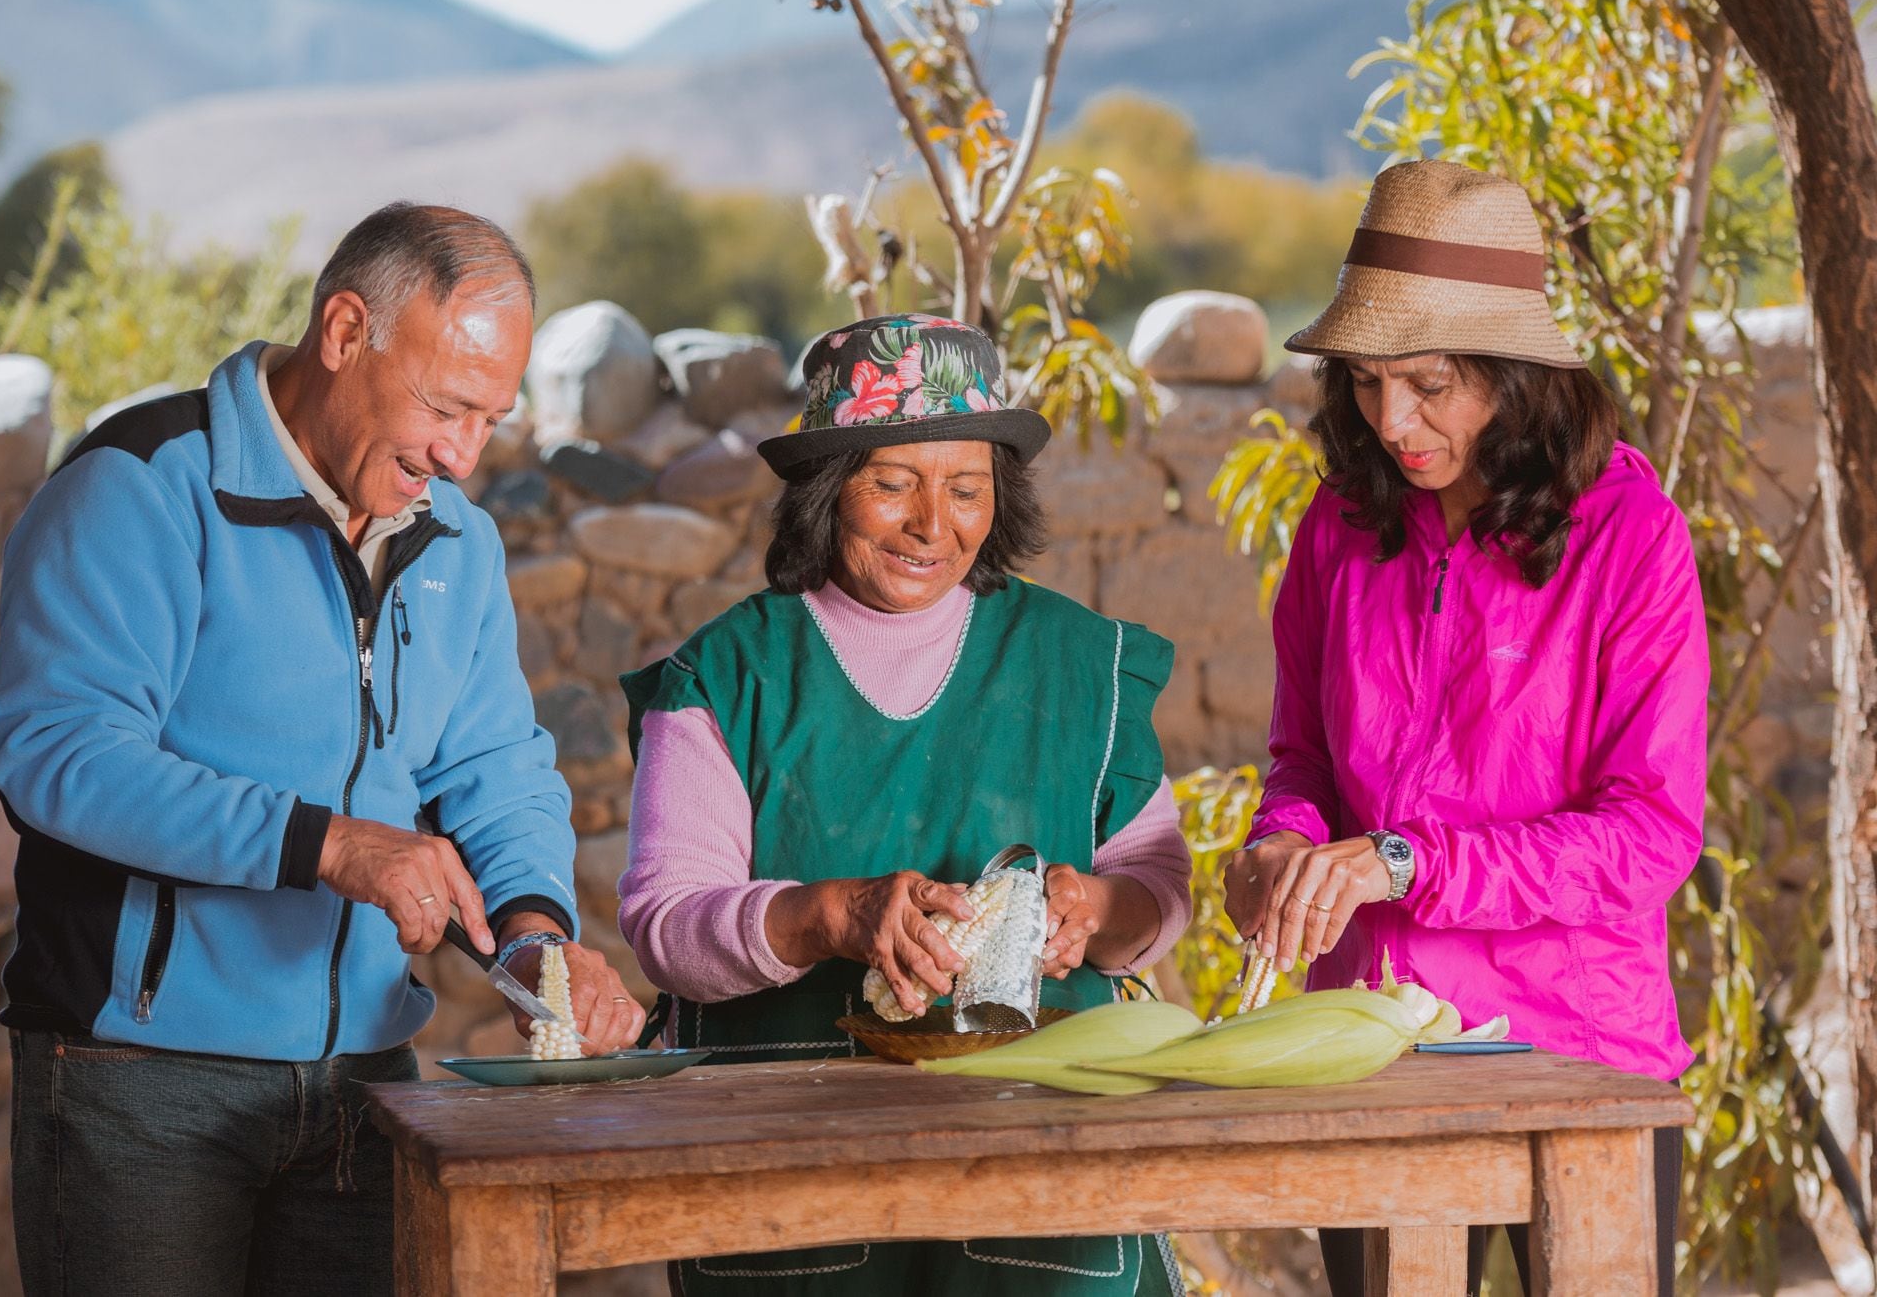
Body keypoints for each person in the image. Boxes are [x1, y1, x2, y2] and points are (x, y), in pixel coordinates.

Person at [0, 202, 644, 1295]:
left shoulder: (458, 540)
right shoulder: (142, 484)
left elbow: (491, 766)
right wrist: (328, 846)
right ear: (344, 332)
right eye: (443, 405)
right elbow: (58, 750)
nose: (460, 453)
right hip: (138, 1081)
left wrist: (533, 939)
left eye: (490, 418)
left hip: (368, 1085)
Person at [617, 313, 1195, 1296]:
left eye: (966, 489)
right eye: (894, 484)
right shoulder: (728, 675)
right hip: (791, 1187)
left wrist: (1095, 914)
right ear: (826, 488)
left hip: (1039, 1180)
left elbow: (1155, 885)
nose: (935, 524)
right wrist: (825, 916)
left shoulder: (1074, 663)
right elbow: (666, 928)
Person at [1223, 160, 1708, 1296]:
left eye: (1430, 383)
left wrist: (1404, 861)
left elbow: (1647, 834)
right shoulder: (1339, 526)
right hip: (1367, 1052)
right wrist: (1282, 844)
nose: (1391, 421)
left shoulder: (1626, 533)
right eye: (1363, 381)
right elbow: (1300, 756)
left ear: (1514, 372)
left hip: (1576, 1060)